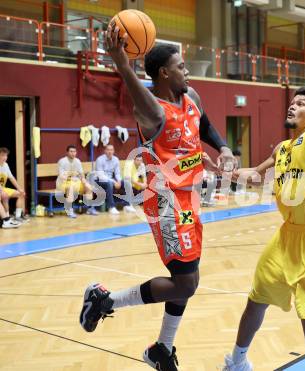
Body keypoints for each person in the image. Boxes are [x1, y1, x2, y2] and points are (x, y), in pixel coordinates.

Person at [79, 26, 235, 370]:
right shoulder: (152, 111)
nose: (187, 70)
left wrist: (222, 148)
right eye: (181, 66)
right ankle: (105, 301)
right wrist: (121, 62)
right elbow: (137, 93)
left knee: (187, 278)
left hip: (189, 198)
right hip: (165, 201)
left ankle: (162, 349)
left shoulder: (191, 96)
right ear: (164, 72)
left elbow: (205, 125)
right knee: (186, 283)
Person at [223, 35, 305, 371]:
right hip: (286, 238)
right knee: (256, 299)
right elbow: (257, 176)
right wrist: (228, 172)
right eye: (292, 102)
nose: (293, 105)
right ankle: (238, 361)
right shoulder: (282, 150)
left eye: (302, 103)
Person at [57, 145, 98, 218]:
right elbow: (61, 176)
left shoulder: (77, 161)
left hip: (76, 182)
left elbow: (81, 173)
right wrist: (70, 177)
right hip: (62, 183)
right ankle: (69, 210)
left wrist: (84, 180)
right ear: (67, 152)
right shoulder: (62, 161)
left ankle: (90, 208)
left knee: (88, 186)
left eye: (74, 151)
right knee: (71, 187)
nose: (73, 153)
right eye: (71, 151)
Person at [95, 144, 128, 214]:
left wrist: (119, 181)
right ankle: (111, 207)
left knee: (126, 182)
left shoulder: (116, 159)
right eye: (108, 150)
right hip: (99, 180)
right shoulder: (100, 159)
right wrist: (114, 182)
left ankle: (127, 205)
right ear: (105, 151)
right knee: (109, 184)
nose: (110, 151)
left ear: (113, 151)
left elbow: (117, 173)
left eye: (111, 150)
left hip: (110, 179)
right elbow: (101, 176)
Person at [0, 147, 28, 223]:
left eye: (6, 156)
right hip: (0, 190)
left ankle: (17, 216)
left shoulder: (6, 165)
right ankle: (6, 218)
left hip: (3, 188)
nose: (5, 157)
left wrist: (19, 189)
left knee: (21, 194)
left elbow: (11, 178)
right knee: (4, 196)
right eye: (2, 155)